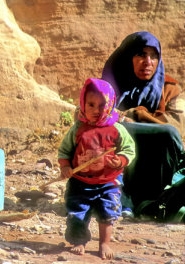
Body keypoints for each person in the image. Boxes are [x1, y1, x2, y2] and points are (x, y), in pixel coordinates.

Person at [102, 31, 185, 213]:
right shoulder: (106, 88)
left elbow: (177, 125)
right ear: (127, 57)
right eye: (140, 54)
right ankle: (123, 200)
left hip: (157, 165)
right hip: (120, 162)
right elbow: (87, 114)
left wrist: (135, 114)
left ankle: (153, 200)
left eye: (154, 56)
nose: (148, 62)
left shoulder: (171, 89)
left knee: (168, 134)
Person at [58, 78, 135, 259]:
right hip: (80, 181)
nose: (95, 110)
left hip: (109, 182)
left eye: (102, 106)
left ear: (109, 106)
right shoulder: (78, 129)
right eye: (91, 104)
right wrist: (66, 167)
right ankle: (79, 241)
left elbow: (129, 149)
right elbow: (64, 150)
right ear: (83, 103)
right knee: (77, 213)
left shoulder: (116, 129)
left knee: (107, 214)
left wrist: (121, 160)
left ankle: (104, 243)